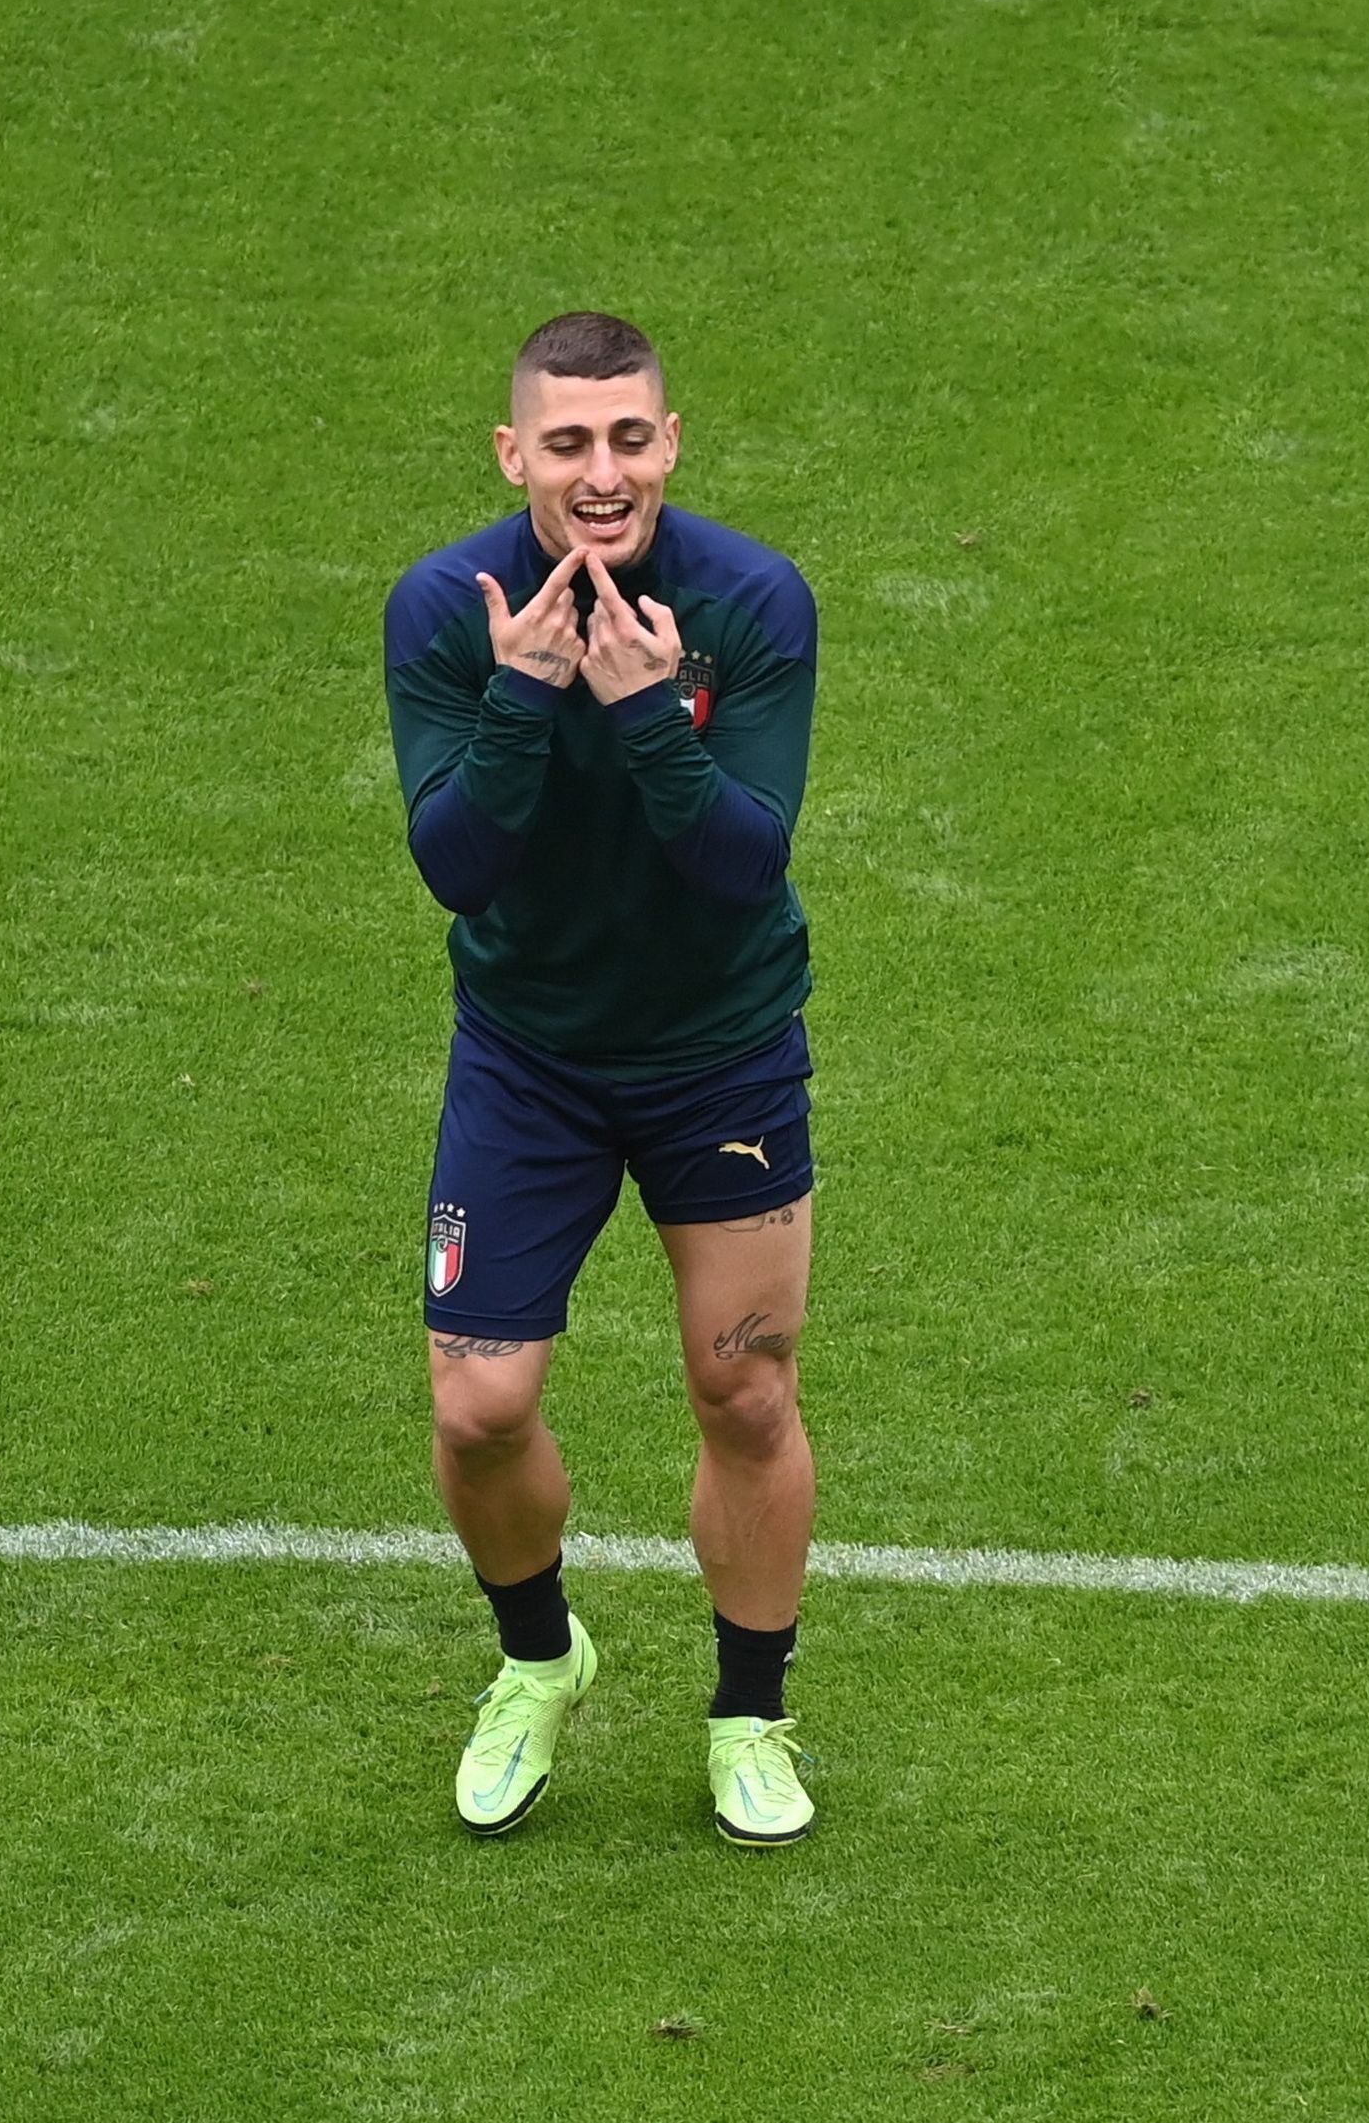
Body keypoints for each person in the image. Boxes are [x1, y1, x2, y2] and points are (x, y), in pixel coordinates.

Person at [383, 311, 820, 1846]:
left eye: (630, 437)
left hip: (721, 1052)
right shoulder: (446, 610)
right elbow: (456, 863)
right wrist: (523, 693)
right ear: (515, 454)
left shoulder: (752, 601)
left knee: (745, 1388)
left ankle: (750, 1715)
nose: (602, 471)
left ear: (671, 442)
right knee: (478, 1406)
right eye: (567, 442)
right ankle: (538, 1658)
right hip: (531, 1060)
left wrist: (643, 710)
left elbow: (743, 862)